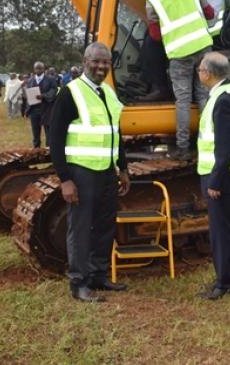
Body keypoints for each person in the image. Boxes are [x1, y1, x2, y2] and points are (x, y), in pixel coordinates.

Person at [48, 42, 131, 302]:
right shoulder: (71, 93)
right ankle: (79, 282)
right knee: (81, 228)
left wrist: (124, 167)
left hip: (107, 171)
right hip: (81, 173)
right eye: (96, 61)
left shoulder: (108, 93)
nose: (101, 66)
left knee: (105, 226)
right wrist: (65, 179)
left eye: (105, 62)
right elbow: (55, 139)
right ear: (85, 61)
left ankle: (98, 275)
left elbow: (115, 134)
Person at [140, 0, 216, 160]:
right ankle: (208, 142)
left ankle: (183, 148)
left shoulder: (152, 0)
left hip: (179, 55)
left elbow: (155, 36)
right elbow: (210, 13)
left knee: (183, 100)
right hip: (203, 49)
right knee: (203, 96)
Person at [195, 52, 230, 300]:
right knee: (226, 229)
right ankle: (228, 278)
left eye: (199, 70)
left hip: (224, 178)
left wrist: (216, 181)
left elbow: (224, 145)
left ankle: (225, 283)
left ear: (208, 73)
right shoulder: (226, 93)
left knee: (222, 231)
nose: (198, 73)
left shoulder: (224, 98)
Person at [25, 62, 59, 148]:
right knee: (35, 132)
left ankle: (49, 151)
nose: (38, 70)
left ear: (44, 69)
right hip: (34, 110)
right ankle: (36, 150)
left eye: (40, 68)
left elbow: (53, 91)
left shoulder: (51, 80)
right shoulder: (30, 81)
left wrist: (43, 96)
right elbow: (28, 93)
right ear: (34, 69)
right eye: (36, 68)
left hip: (47, 109)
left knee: (48, 132)